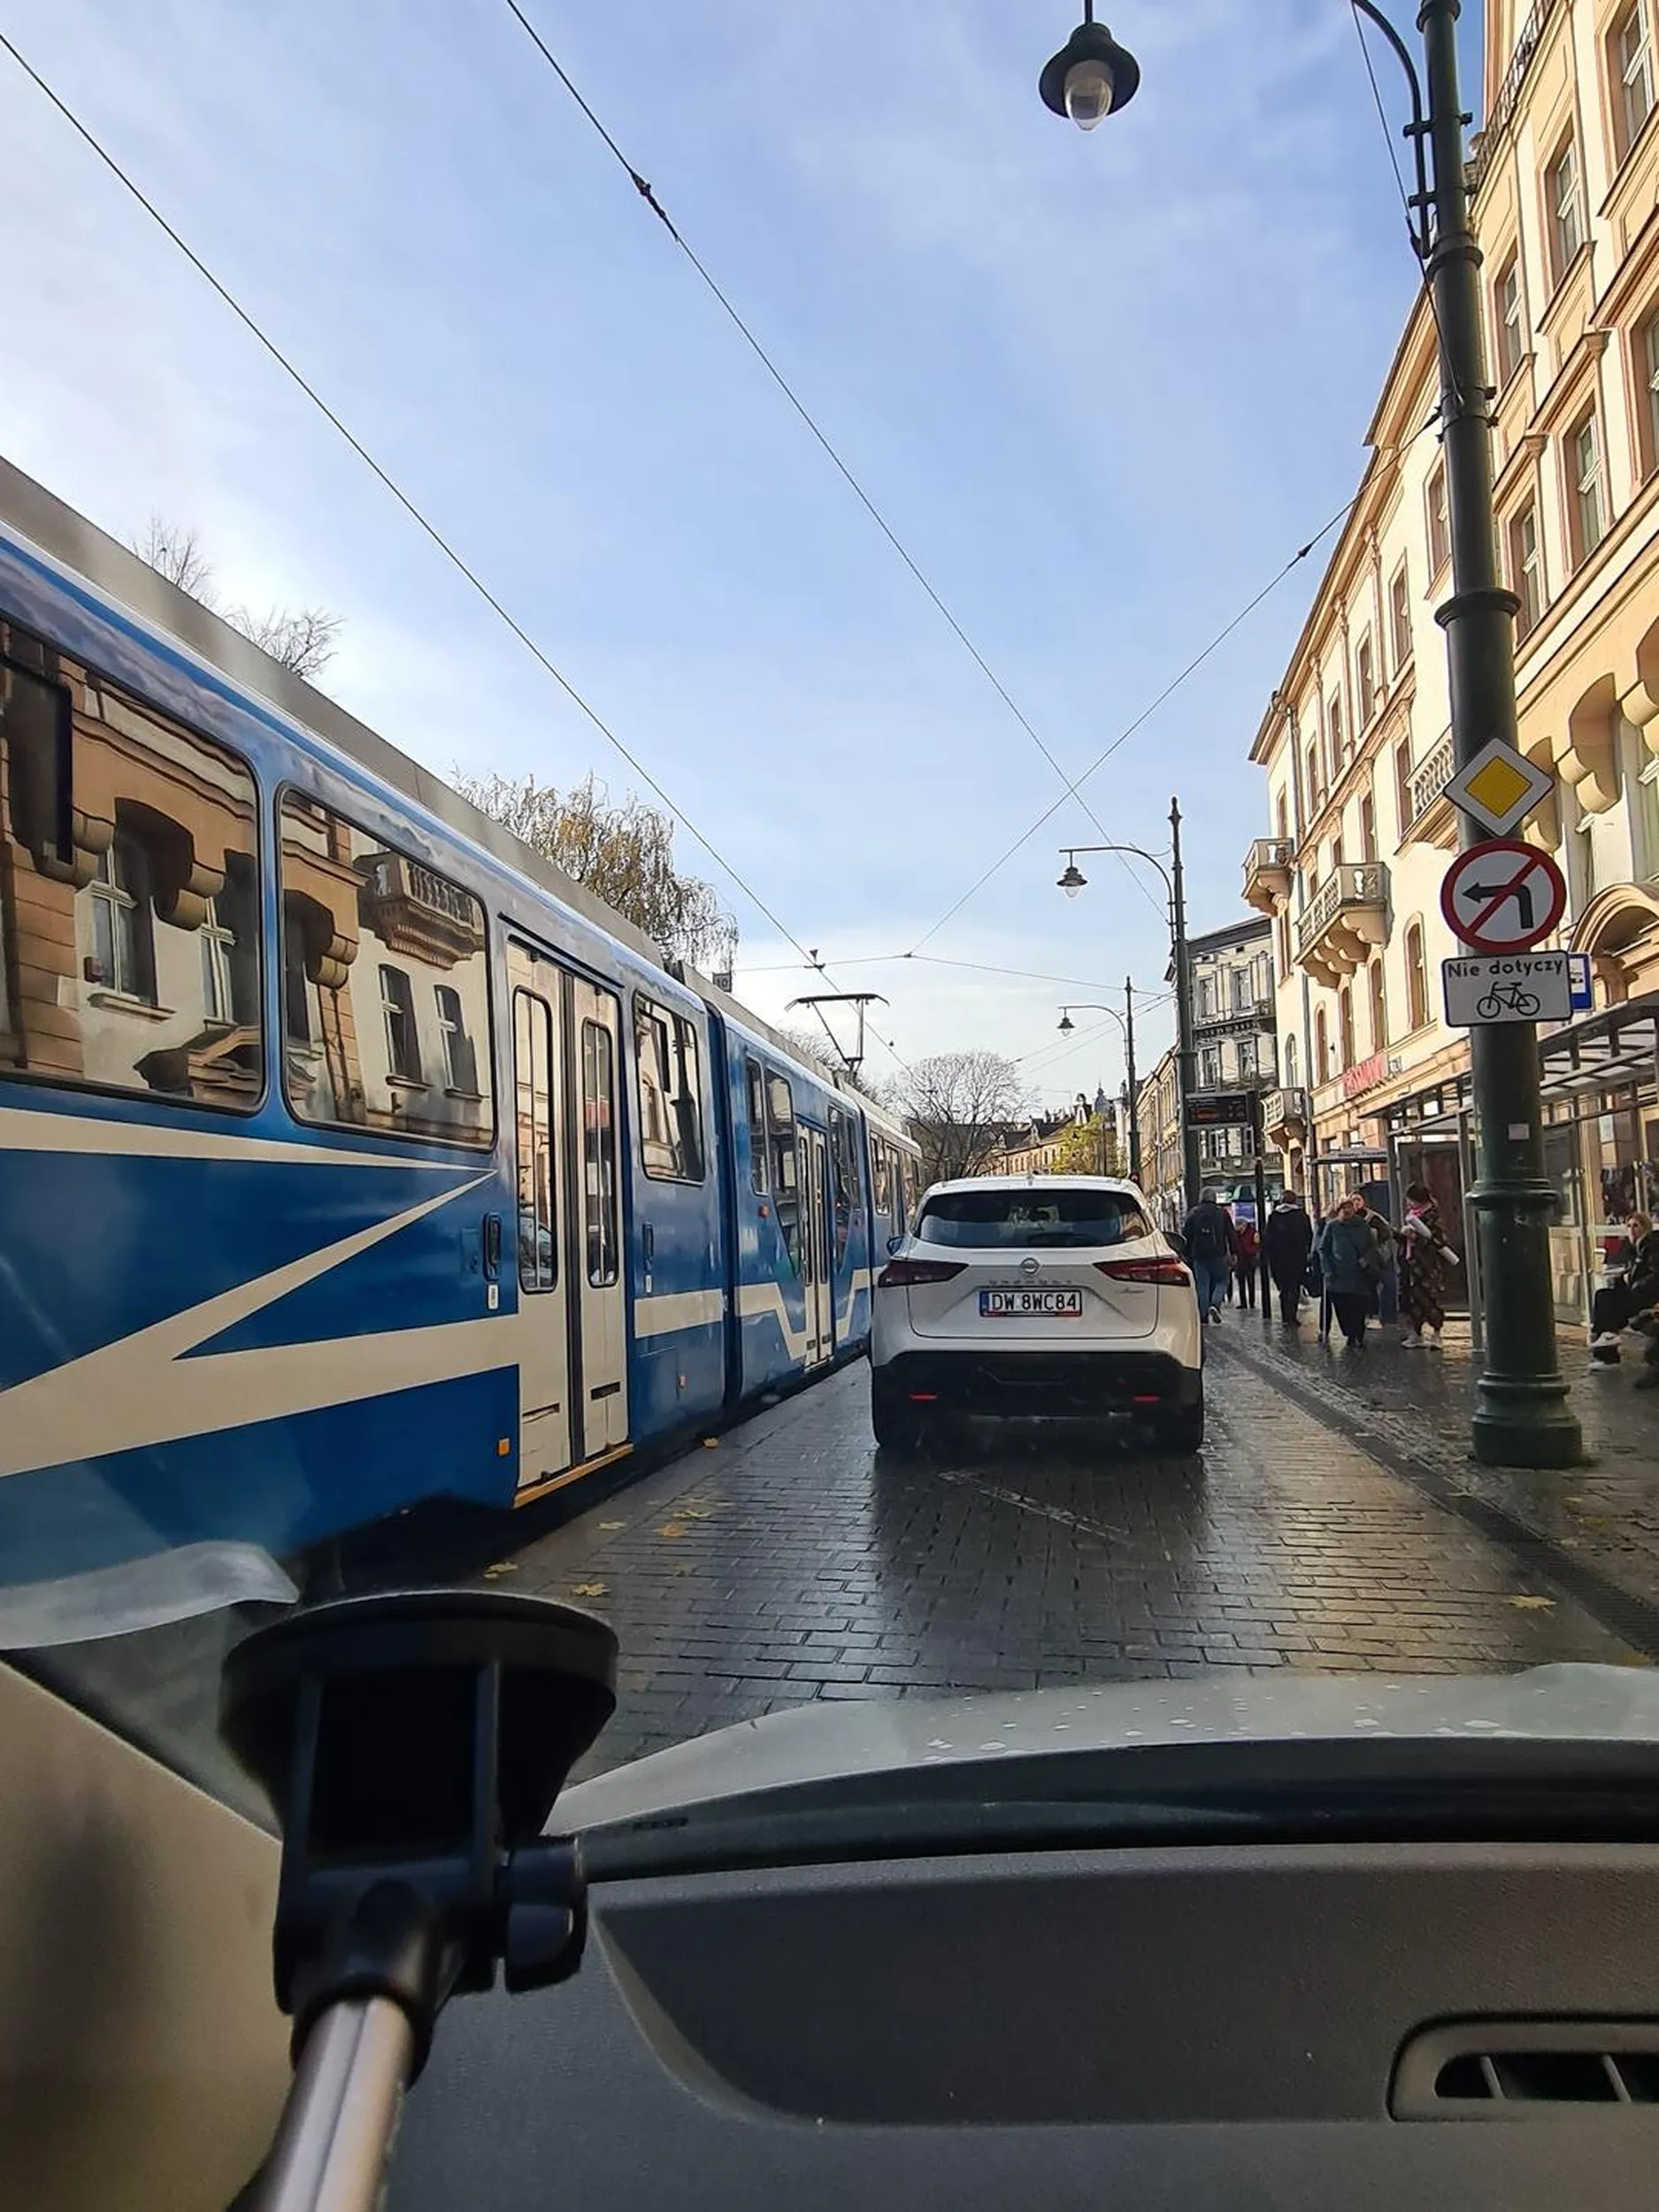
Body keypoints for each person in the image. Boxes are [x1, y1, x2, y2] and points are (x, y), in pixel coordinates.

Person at [1590, 1211, 1659, 1365]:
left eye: (1636, 1226)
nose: (1632, 1230)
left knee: (1607, 1301)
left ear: (1646, 1228)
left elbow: (1656, 1276)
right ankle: (1605, 1341)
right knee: (1603, 1295)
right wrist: (1622, 1278)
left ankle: (1607, 1353)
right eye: (1628, 1226)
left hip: (1647, 1297)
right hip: (1639, 1294)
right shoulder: (1635, 1249)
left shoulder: (1652, 1246)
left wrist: (1634, 1284)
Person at [1316, 1194, 1379, 1349]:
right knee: (1343, 1307)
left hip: (1358, 1274)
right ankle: (1349, 1332)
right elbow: (1323, 1248)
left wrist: (1366, 1259)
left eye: (1349, 1208)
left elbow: (1372, 1246)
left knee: (1359, 1306)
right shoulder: (1332, 1227)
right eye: (1343, 1209)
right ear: (1338, 1211)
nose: (1347, 1211)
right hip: (1338, 1276)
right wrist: (1328, 1269)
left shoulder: (1362, 1226)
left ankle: (1358, 1335)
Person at [1399, 1180, 1456, 1348]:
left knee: (1430, 1298)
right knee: (1413, 1300)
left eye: (1410, 1200)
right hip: (1411, 1264)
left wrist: (1417, 1237)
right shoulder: (1413, 1215)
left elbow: (1437, 1241)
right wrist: (1401, 1235)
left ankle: (1436, 1333)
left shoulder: (1433, 1216)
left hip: (1428, 1266)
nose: (1408, 1203)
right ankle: (1416, 1333)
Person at [1181, 1192, 1237, 1323]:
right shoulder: (1222, 1213)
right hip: (1218, 1254)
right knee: (1222, 1281)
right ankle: (1215, 1304)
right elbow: (1231, 1234)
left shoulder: (1194, 1213)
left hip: (1199, 1256)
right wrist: (1234, 1252)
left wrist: (1186, 1253)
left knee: (1202, 1284)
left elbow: (1186, 1235)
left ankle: (1203, 1315)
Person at [1264, 1191, 1313, 1325]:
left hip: (1278, 1259)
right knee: (1295, 1287)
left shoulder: (1274, 1216)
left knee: (1284, 1288)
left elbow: (1268, 1239)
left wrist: (1269, 1256)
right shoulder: (1301, 1216)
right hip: (1297, 1257)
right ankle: (1292, 1315)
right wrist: (1309, 1253)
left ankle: (1286, 1316)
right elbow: (1309, 1236)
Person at [1234, 1213, 1260, 1310]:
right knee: (1241, 1282)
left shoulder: (1252, 1232)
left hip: (1249, 1260)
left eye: (1239, 1225)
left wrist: (1251, 1252)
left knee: (1250, 1281)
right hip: (1240, 1260)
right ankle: (1243, 1303)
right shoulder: (1236, 1234)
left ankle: (1251, 1302)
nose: (1237, 1227)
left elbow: (1256, 1245)